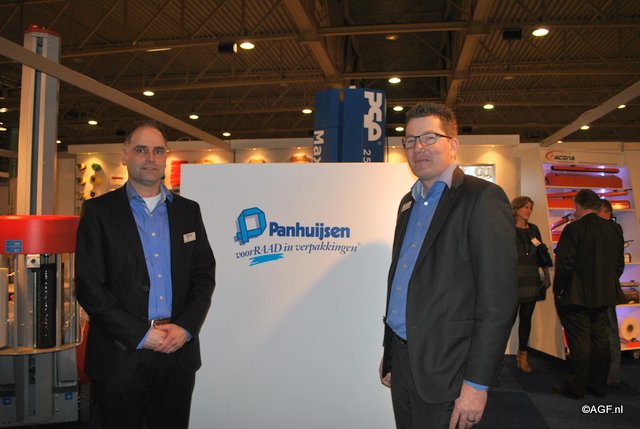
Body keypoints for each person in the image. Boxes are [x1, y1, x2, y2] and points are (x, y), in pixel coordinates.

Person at [379, 102, 517, 429]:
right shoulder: (407, 203)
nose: (419, 148)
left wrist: (477, 383)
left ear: (453, 144)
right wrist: (391, 352)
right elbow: (403, 282)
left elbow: (498, 301)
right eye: (410, 140)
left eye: (429, 137)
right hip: (404, 359)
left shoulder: (482, 198)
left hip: (449, 368)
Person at [75, 121, 216, 428]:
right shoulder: (99, 212)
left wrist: (186, 327)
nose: (151, 158)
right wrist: (141, 334)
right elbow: (89, 286)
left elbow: (204, 275)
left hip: (177, 355)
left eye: (158, 151)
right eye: (141, 150)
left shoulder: (188, 211)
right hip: (119, 356)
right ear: (125, 155)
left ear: (166, 156)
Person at [552, 190, 624, 399]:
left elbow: (564, 264)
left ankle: (576, 387)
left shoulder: (573, 229)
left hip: (576, 295)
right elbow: (619, 264)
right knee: (601, 340)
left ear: (578, 205)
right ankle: (598, 385)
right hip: (604, 294)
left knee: (580, 341)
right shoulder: (614, 228)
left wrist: (559, 289)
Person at [510, 196, 551, 373]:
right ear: (516, 209)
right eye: (525, 207)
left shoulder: (534, 229)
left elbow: (541, 253)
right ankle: (495, 357)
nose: (528, 211)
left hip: (531, 280)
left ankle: (523, 354)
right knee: (508, 320)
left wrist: (546, 275)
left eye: (530, 208)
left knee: (526, 319)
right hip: (512, 281)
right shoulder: (508, 228)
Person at [597, 199, 626, 386]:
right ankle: (611, 373)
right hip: (609, 287)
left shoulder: (605, 231)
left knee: (607, 332)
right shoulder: (616, 230)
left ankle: (609, 374)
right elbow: (619, 264)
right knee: (610, 332)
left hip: (601, 289)